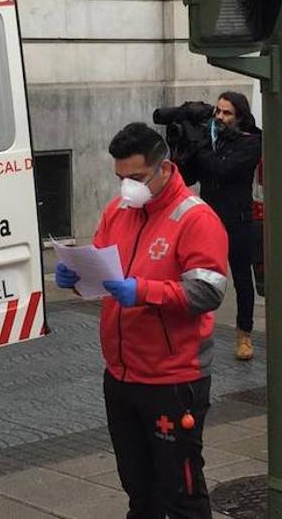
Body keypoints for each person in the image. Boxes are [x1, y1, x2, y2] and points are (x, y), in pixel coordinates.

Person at [55, 122, 229, 519]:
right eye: (120, 178)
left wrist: (144, 291)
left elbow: (207, 292)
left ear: (164, 168)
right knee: (138, 488)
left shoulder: (195, 219)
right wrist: (77, 278)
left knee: (181, 490)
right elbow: (102, 273)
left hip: (173, 379)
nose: (126, 187)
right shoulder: (118, 211)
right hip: (121, 375)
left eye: (135, 177)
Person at [183, 91, 263, 361]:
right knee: (198, 278)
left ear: (240, 117)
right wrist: (185, 148)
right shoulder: (212, 142)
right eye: (217, 111)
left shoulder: (250, 142)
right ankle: (194, 332)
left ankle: (244, 334)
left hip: (237, 221)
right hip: (208, 221)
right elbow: (188, 176)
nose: (219, 117)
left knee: (242, 279)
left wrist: (203, 145)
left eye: (227, 113)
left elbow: (224, 170)